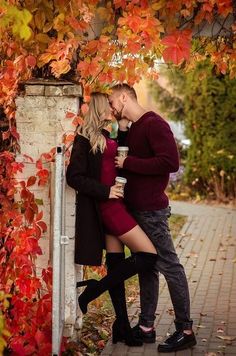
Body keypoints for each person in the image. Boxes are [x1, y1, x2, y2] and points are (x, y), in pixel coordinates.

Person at [108, 84, 197, 353]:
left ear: (124, 97)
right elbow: (123, 156)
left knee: (170, 265)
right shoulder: (133, 128)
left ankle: (186, 330)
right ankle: (147, 326)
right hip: (136, 210)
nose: (111, 108)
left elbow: (170, 163)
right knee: (147, 267)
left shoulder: (155, 124)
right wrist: (122, 129)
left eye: (112, 102)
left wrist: (130, 164)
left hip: (152, 212)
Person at [66, 92, 157, 347]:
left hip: (116, 203)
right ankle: (93, 291)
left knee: (116, 267)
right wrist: (106, 191)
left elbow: (115, 159)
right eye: (109, 104)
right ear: (99, 106)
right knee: (149, 255)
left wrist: (124, 129)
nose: (113, 107)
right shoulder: (84, 137)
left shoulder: (106, 135)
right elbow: (74, 177)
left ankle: (123, 327)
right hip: (106, 207)